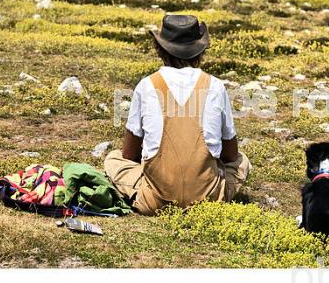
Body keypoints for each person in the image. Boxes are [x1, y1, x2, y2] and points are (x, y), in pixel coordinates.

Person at [104, 14, 252, 215]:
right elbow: (230, 154)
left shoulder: (147, 85)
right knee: (242, 161)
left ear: (160, 49)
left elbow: (129, 154)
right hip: (208, 201)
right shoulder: (215, 87)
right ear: (200, 51)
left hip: (154, 201)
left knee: (113, 159)